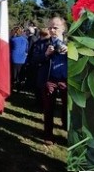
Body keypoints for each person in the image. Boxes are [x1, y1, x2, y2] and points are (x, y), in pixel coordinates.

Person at [39, 17, 68, 145]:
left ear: (63, 28)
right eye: (50, 27)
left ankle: (66, 128)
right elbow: (34, 60)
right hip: (49, 80)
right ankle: (48, 136)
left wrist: (71, 52)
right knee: (48, 109)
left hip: (66, 81)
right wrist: (45, 54)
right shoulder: (43, 43)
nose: (52, 30)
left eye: (55, 27)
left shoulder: (71, 43)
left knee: (67, 108)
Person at [10, 26, 28, 92]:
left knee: (13, 75)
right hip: (22, 60)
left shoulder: (13, 40)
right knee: (20, 75)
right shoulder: (25, 40)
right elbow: (26, 50)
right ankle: (18, 88)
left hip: (14, 59)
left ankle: (11, 88)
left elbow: (10, 49)